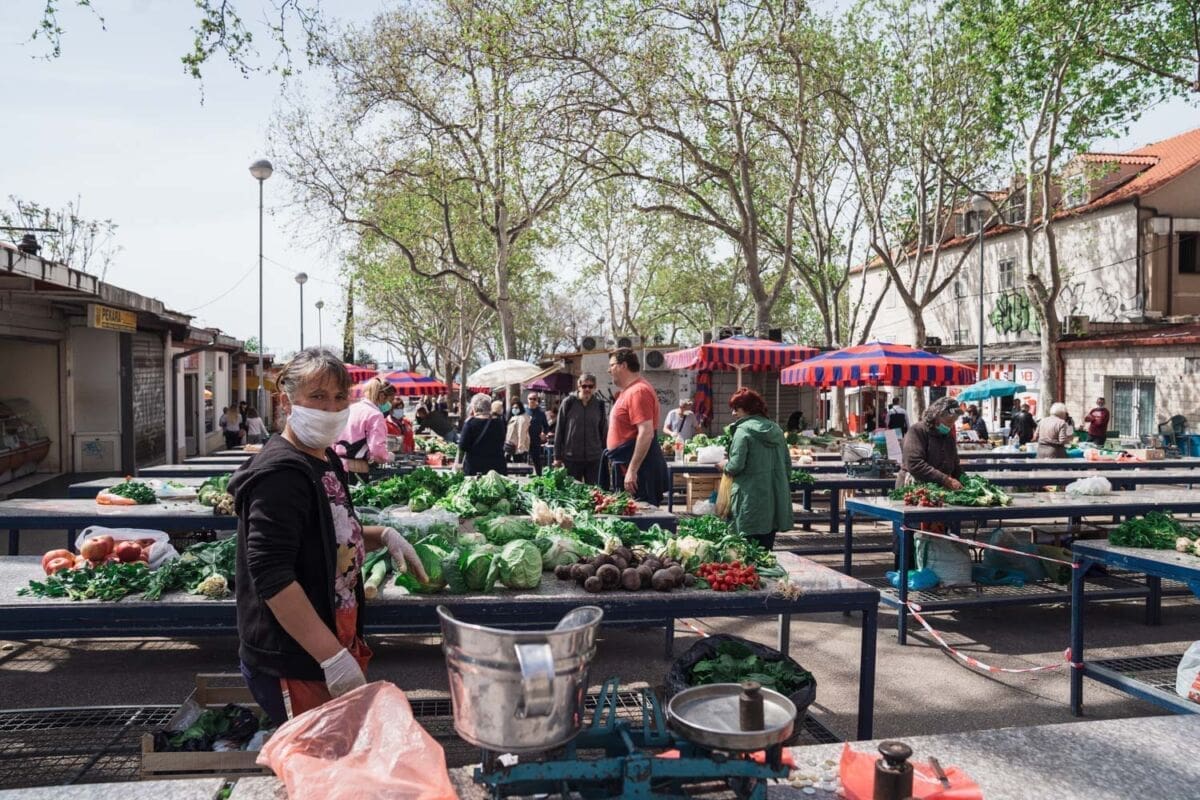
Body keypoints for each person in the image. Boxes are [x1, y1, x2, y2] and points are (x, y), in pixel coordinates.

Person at [229, 347, 427, 726]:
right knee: (324, 769)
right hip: (297, 658)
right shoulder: (281, 474)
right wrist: (330, 657)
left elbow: (327, 532)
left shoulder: (325, 459)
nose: (331, 407)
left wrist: (382, 535)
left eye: (340, 398)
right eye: (317, 396)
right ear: (287, 402)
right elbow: (272, 574)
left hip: (330, 642)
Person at [717, 388, 791, 550]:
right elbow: (787, 465)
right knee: (765, 553)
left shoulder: (742, 431)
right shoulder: (777, 430)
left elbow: (735, 466)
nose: (733, 413)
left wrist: (724, 465)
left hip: (748, 499)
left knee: (744, 553)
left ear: (748, 408)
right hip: (774, 498)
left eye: (736, 408)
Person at [601, 349, 668, 504]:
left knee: (641, 522)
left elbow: (646, 432)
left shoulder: (639, 391)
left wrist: (632, 470)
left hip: (639, 473)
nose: (609, 370)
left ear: (623, 365)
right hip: (626, 466)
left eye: (612, 365)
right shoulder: (629, 391)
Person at [898, 397, 964, 491]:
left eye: (953, 422)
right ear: (936, 416)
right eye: (949, 422)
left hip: (937, 489)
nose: (951, 426)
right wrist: (945, 479)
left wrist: (965, 480)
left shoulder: (948, 436)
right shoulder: (917, 431)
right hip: (913, 488)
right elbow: (914, 464)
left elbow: (955, 466)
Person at [554, 373, 608, 484]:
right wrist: (557, 456)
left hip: (594, 457)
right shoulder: (568, 403)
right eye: (584, 386)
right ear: (579, 386)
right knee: (573, 493)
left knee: (593, 493)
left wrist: (605, 453)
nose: (587, 389)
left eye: (590, 386)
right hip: (572, 457)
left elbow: (603, 431)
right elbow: (559, 430)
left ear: (595, 387)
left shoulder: (599, 405)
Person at [335, 376, 394, 470]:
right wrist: (387, 457)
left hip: (338, 464)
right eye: (389, 400)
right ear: (382, 396)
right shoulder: (375, 415)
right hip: (357, 467)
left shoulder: (351, 408)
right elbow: (377, 450)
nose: (389, 404)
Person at [459, 393, 508, 475]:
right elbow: (502, 440)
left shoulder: (470, 423)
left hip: (475, 467)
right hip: (497, 466)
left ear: (474, 408)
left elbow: (463, 446)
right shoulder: (499, 422)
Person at [526, 393, 550, 475]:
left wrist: (544, 433)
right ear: (527, 400)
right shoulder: (524, 412)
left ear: (537, 400)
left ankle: (539, 477)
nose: (532, 400)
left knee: (536, 460)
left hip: (535, 440)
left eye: (534, 399)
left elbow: (546, 426)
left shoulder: (541, 413)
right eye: (530, 399)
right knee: (522, 461)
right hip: (524, 439)